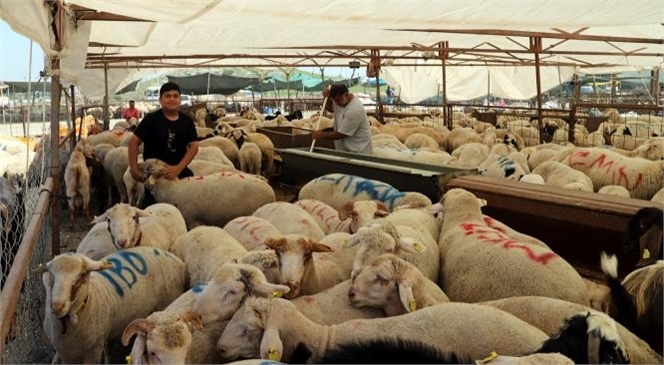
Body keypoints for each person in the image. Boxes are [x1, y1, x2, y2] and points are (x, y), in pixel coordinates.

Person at [128, 82, 199, 206]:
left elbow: (194, 146)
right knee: (156, 211)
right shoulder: (151, 119)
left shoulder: (187, 121)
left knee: (186, 209)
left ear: (180, 99)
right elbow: (134, 142)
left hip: (180, 173)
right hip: (155, 176)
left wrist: (178, 168)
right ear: (160, 100)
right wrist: (134, 168)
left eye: (175, 96)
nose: (172, 99)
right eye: (167, 96)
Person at [312, 84, 372, 155]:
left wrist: (322, 134)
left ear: (346, 94)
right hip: (346, 150)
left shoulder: (354, 110)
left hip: (358, 152)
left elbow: (341, 134)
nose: (336, 103)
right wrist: (327, 97)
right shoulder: (341, 101)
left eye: (337, 100)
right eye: (334, 101)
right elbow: (330, 108)